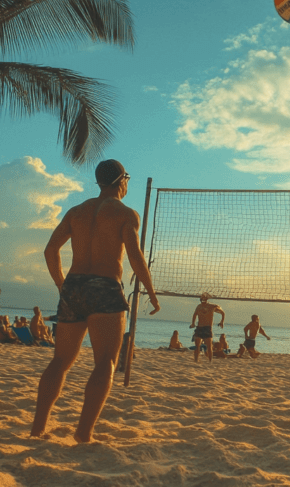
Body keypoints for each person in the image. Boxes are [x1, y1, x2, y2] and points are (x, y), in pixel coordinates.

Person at [31, 159, 160, 443]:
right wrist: (151, 292)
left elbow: (51, 250)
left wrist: (61, 284)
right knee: (105, 362)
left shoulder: (77, 211)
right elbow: (135, 256)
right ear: (122, 180)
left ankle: (38, 429)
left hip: (74, 286)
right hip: (104, 286)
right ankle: (83, 434)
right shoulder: (126, 213)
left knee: (60, 360)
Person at [189, 292, 225, 363]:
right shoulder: (199, 306)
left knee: (209, 346)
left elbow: (222, 313)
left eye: (204, 298)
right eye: (202, 298)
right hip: (199, 327)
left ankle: (210, 361)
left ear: (206, 299)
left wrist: (222, 322)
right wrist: (193, 323)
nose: (203, 299)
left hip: (207, 328)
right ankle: (196, 361)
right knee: (197, 346)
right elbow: (194, 315)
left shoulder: (212, 306)